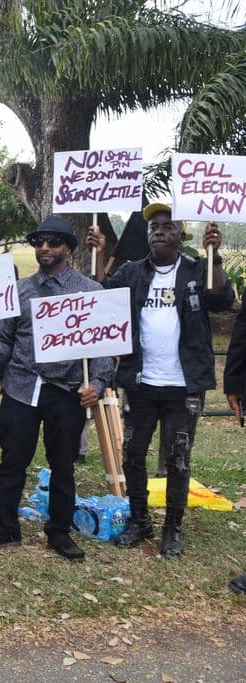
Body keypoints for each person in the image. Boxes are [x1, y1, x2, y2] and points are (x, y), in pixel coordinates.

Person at [89, 203, 232, 557]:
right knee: (133, 455)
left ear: (180, 234)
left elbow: (222, 299)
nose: (160, 232)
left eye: (168, 227)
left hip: (184, 386)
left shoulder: (198, 270)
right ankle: (140, 520)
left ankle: (173, 527)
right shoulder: (133, 272)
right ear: (148, 235)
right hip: (140, 384)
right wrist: (98, 253)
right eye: (154, 227)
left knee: (178, 458)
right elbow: (100, 294)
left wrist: (214, 257)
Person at [0, 216, 111, 561]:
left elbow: (104, 347)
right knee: (12, 461)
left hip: (66, 390)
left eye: (53, 242)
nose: (45, 248)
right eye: (39, 242)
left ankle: (59, 532)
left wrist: (98, 384)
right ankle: (6, 527)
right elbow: (4, 339)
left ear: (68, 248)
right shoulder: (19, 292)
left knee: (62, 464)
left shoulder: (90, 292)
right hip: (21, 387)